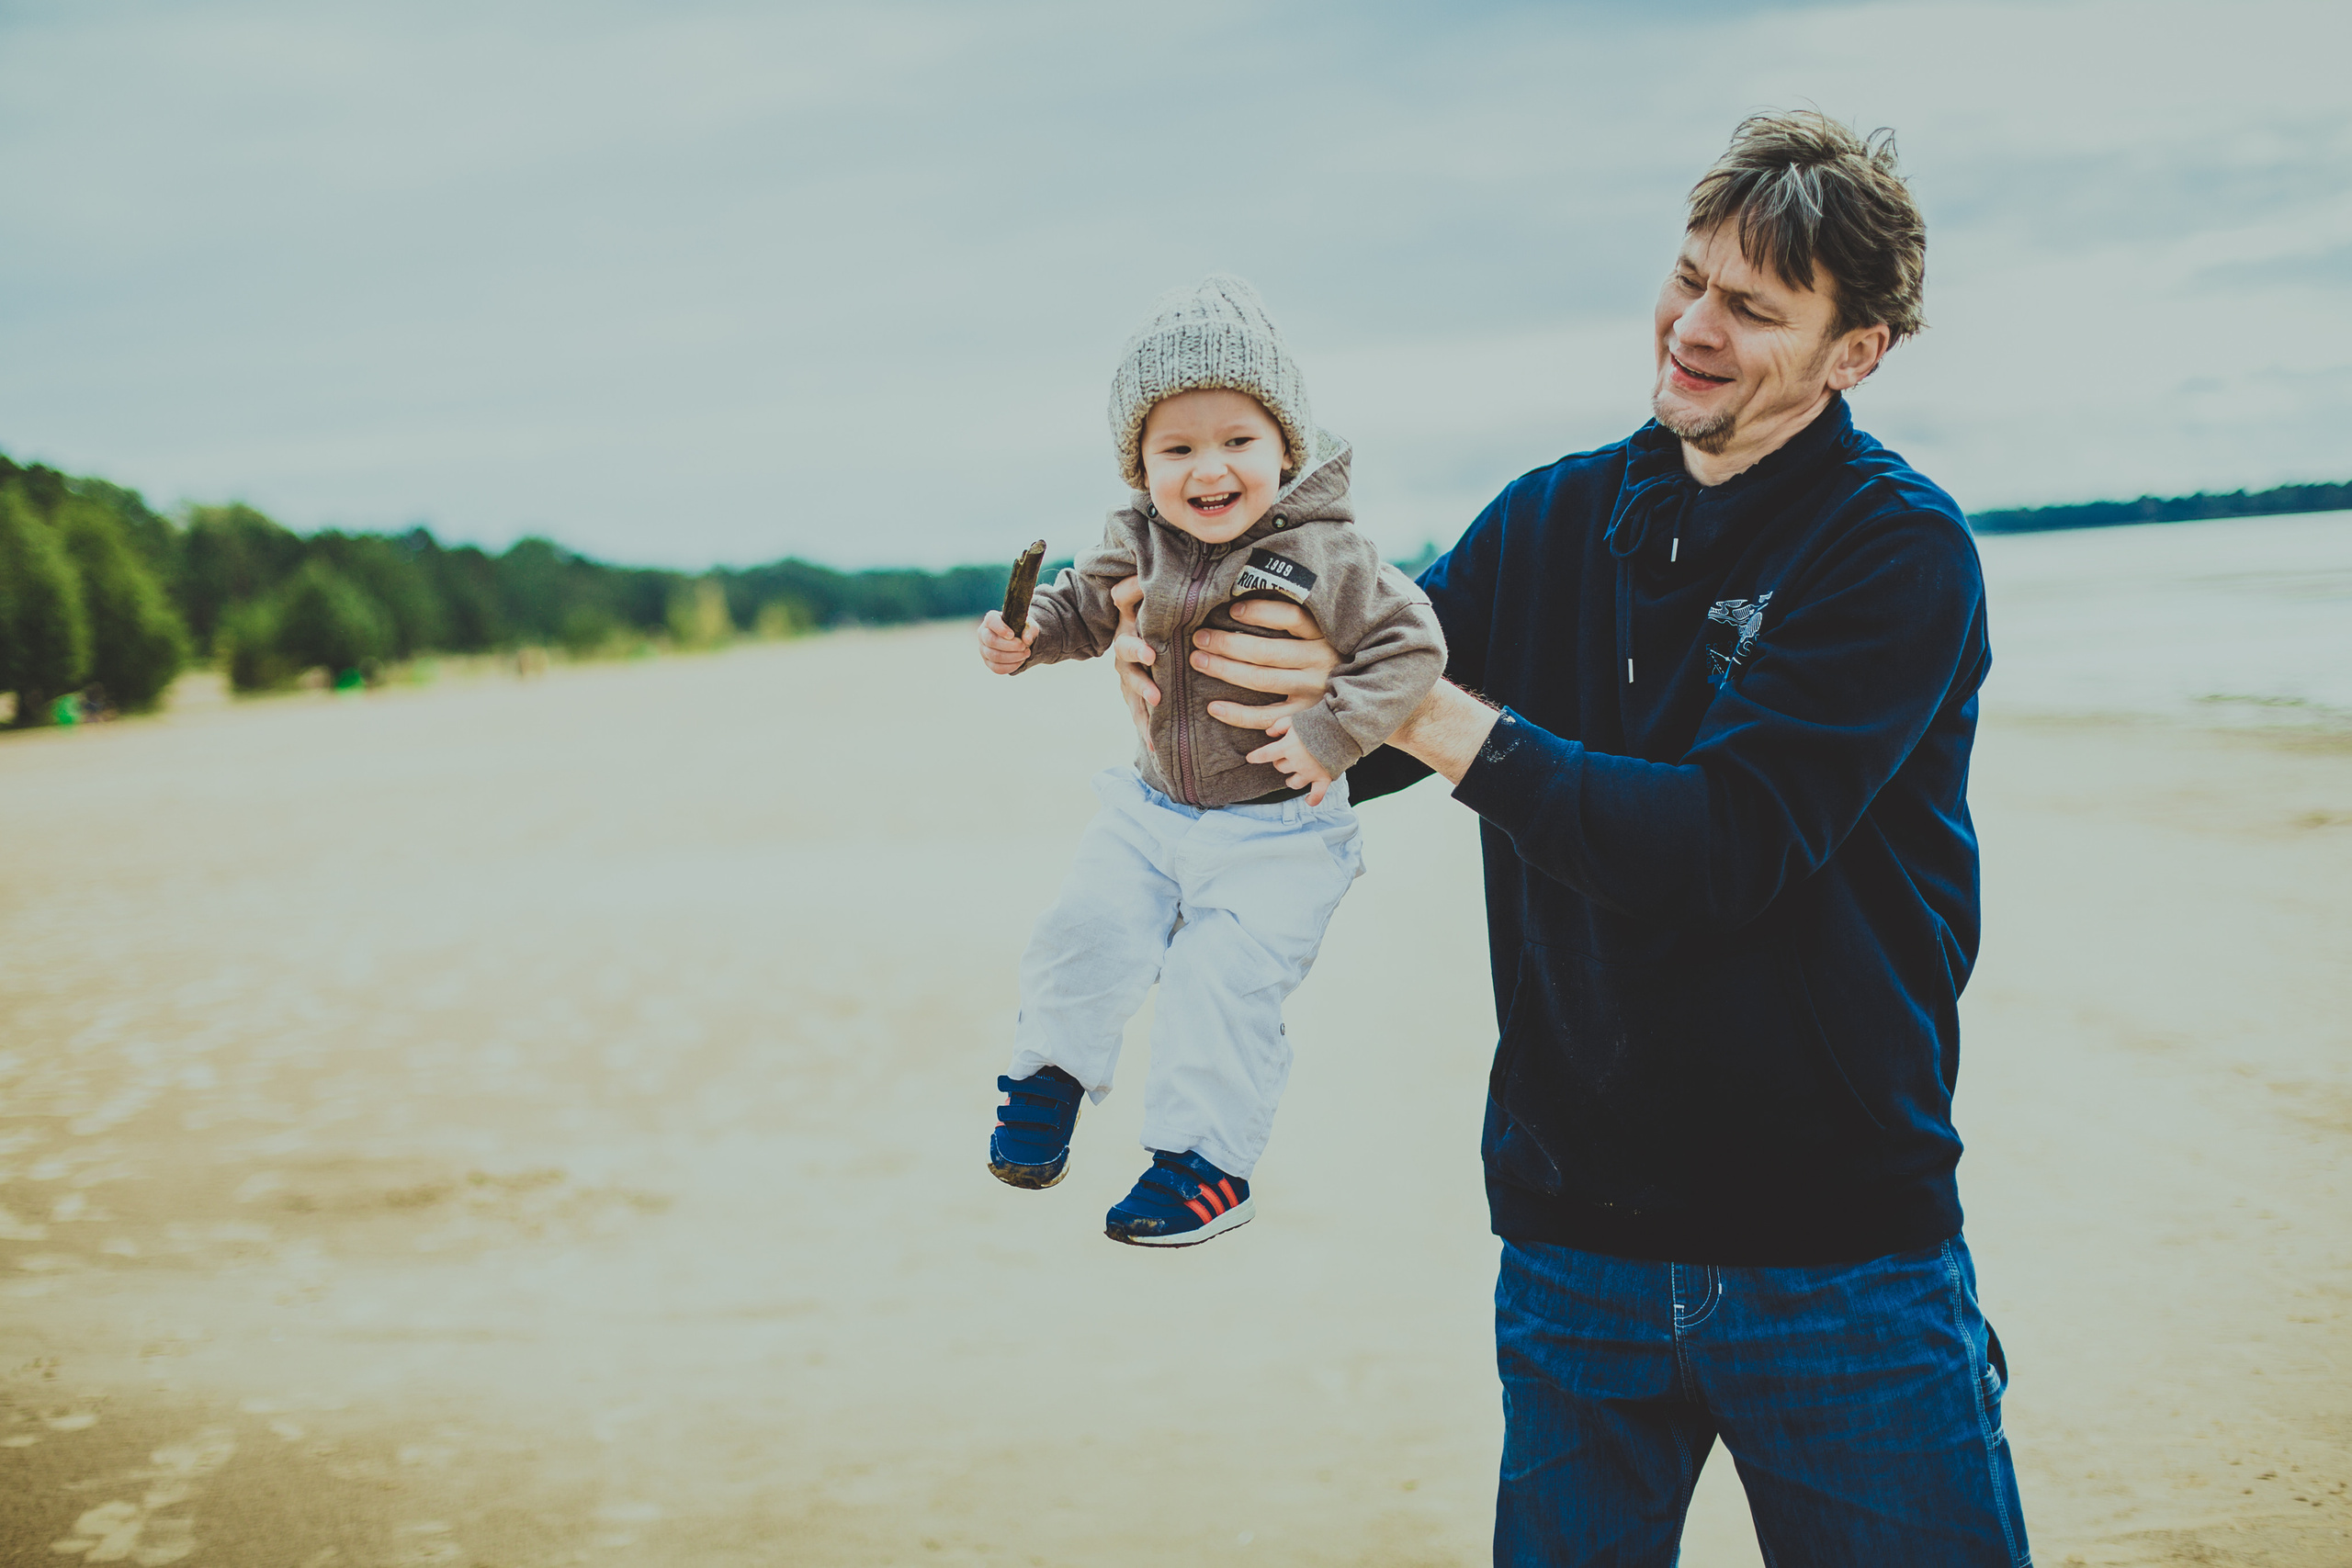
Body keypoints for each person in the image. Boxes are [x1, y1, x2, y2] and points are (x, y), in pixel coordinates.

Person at [1113, 115, 2030, 1564]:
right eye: (1689, 278)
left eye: (1753, 306)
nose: (1696, 327)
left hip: (1839, 1250)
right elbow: (1331, 743)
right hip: (1572, 1242)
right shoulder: (1550, 519)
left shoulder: (1896, 550)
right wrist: (1187, 660)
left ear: (1858, 350)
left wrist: (1411, 707)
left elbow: (1723, 846)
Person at [976, 275, 1446, 1247]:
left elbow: (1411, 650)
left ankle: (1203, 1167)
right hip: (1150, 811)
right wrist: (1032, 637)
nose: (1209, 469)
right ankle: (1047, 1081)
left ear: (1286, 446)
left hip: (1279, 829)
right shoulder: (1135, 540)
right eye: (1175, 448)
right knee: (1084, 926)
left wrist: (1331, 733)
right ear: (1138, 463)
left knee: (1218, 985)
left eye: (1238, 441)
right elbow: (1081, 608)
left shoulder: (1330, 551)